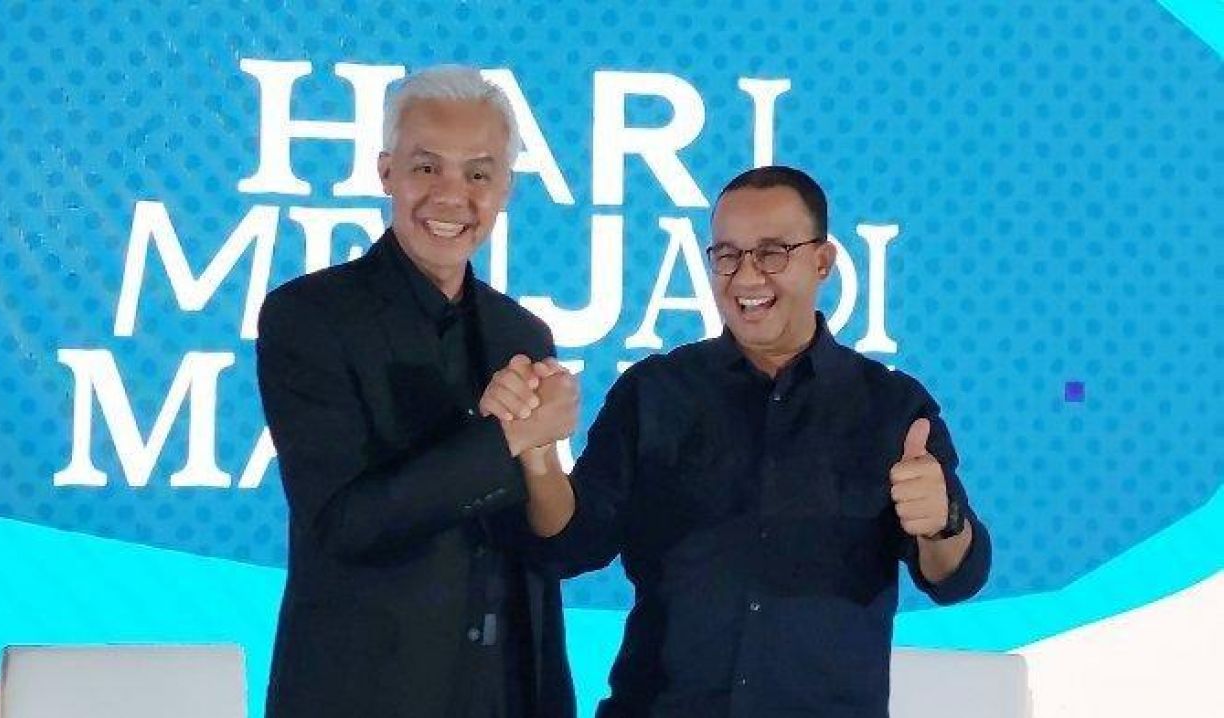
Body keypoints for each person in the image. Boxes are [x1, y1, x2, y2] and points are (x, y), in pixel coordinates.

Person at [493, 166, 993, 717]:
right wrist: (539, 461)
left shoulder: (892, 408)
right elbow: (570, 546)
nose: (746, 276)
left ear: (822, 262)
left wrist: (942, 522)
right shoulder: (654, 392)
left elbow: (956, 578)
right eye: (727, 255)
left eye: (772, 253)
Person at [255, 65, 580, 718]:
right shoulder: (309, 317)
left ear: (506, 188)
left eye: (478, 174)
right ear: (387, 173)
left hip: (510, 691)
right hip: (366, 695)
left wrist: (542, 454)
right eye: (427, 168)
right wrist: (509, 436)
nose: (451, 196)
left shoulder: (522, 333)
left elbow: (546, 543)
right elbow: (345, 524)